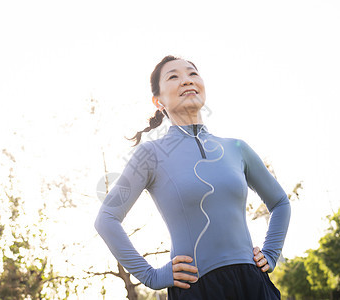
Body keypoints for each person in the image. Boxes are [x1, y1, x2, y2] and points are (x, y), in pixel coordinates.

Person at [94, 55, 291, 299]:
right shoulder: (149, 155)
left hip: (253, 283)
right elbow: (106, 219)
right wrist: (151, 276)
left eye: (192, 74)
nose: (186, 80)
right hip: (197, 289)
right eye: (174, 77)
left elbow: (280, 202)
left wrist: (271, 254)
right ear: (158, 101)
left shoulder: (237, 148)